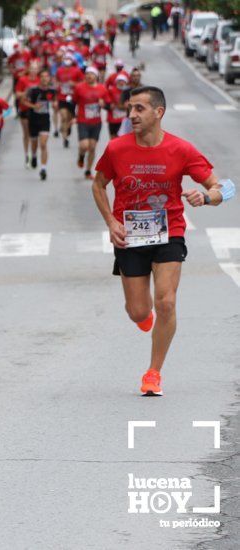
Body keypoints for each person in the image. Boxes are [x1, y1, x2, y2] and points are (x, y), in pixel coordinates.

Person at [91, 86, 233, 396]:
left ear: (159, 112)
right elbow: (98, 184)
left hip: (169, 232)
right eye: (130, 108)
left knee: (166, 302)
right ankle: (144, 318)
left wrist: (208, 196)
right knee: (138, 311)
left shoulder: (181, 149)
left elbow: (226, 187)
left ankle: (153, 373)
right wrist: (111, 221)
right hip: (130, 235)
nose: (132, 115)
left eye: (139, 109)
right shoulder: (117, 148)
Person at [73, 67, 108, 180]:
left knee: (92, 147)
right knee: (84, 145)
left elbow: (108, 105)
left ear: (96, 76)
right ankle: (81, 156)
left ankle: (88, 170)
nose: (89, 76)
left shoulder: (102, 89)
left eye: (91, 74)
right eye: (87, 74)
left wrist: (104, 105)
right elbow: (74, 102)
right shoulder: (79, 88)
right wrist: (74, 116)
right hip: (82, 121)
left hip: (96, 122)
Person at [23, 71, 57, 181]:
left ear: (49, 78)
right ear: (39, 78)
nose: (44, 78)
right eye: (42, 76)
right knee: (34, 143)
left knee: (43, 144)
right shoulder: (33, 90)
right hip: (33, 119)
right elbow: (23, 101)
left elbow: (55, 102)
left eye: (46, 76)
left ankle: (43, 168)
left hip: (45, 120)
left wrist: (56, 105)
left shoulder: (52, 91)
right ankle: (33, 156)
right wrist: (33, 106)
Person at [15, 62, 41, 167]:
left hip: (37, 111)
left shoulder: (40, 80)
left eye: (35, 69)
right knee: (26, 134)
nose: (34, 71)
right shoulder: (23, 80)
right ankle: (27, 154)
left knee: (34, 135)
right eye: (32, 68)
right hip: (25, 109)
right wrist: (26, 92)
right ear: (28, 69)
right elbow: (17, 95)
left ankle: (33, 153)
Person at [105, 73, 130, 139]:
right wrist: (108, 106)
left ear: (126, 82)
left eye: (123, 81)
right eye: (119, 81)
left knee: (123, 139)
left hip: (124, 120)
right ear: (116, 82)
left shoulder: (128, 91)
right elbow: (106, 103)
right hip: (113, 119)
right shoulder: (111, 90)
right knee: (113, 140)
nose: (121, 83)